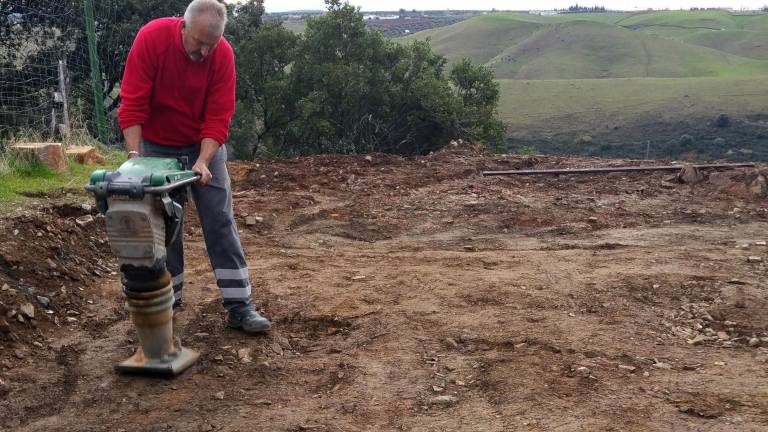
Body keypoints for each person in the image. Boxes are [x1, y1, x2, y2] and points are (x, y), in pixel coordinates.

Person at [117, 0, 270, 334]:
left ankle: (239, 305)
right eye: (197, 42)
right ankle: (168, 300)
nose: (202, 51)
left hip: (203, 145)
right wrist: (134, 155)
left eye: (210, 44)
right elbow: (133, 102)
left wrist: (203, 160)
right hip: (156, 145)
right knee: (163, 222)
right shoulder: (152, 39)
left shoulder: (223, 55)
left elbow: (218, 117)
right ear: (182, 26)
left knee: (219, 218)